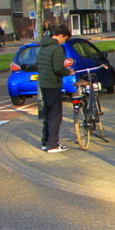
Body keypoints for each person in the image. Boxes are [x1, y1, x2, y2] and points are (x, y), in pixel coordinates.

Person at [37, 25, 74, 153]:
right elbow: (58, 68)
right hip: (53, 83)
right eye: (64, 39)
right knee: (55, 115)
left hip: (43, 83)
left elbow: (39, 64)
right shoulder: (57, 48)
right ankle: (53, 144)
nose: (64, 41)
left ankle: (45, 142)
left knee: (47, 114)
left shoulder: (43, 46)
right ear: (60, 35)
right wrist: (68, 72)